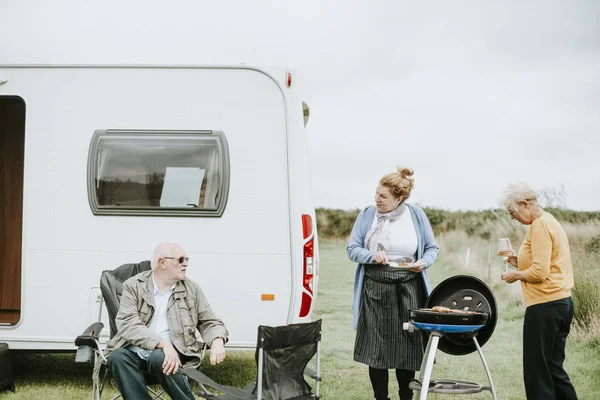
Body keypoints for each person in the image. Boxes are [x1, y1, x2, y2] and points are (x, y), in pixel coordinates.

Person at [347, 167, 439, 400]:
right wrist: (371, 256)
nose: (376, 199)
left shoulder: (416, 215)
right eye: (376, 193)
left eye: (383, 196)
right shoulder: (367, 214)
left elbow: (431, 248)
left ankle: (406, 397)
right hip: (375, 288)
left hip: (409, 288)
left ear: (400, 199)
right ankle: (381, 398)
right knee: (377, 348)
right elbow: (353, 249)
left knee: (406, 347)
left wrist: (423, 262)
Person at [103, 243, 228, 400]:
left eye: (187, 259)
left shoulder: (191, 289)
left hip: (173, 355)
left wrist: (217, 340)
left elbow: (209, 321)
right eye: (181, 259)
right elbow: (127, 323)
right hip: (134, 354)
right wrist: (163, 344)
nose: (186, 263)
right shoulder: (134, 285)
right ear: (162, 262)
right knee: (117, 357)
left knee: (158, 357)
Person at [500, 182, 577, 400]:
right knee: (554, 369)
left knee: (537, 373)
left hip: (545, 306)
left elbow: (540, 272)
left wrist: (515, 275)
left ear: (524, 204)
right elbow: (545, 264)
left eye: (512, 212)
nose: (512, 217)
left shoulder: (540, 226)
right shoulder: (550, 221)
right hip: (561, 303)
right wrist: (517, 262)